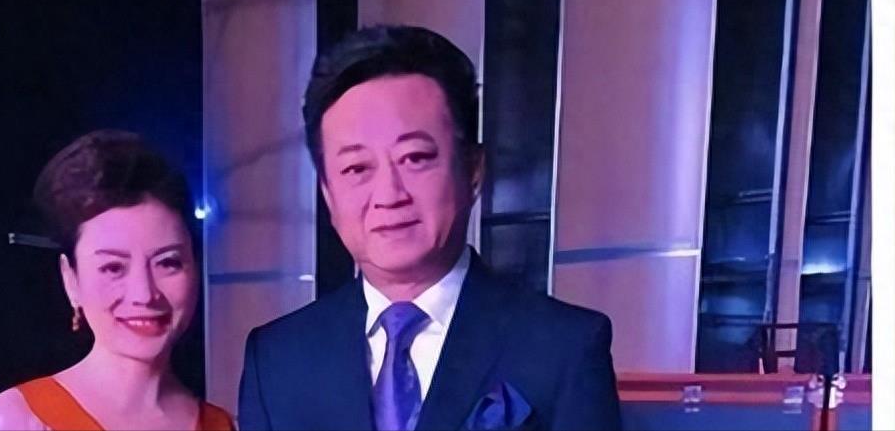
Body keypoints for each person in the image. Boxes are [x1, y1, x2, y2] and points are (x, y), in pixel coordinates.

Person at [238, 25, 621, 431]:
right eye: (357, 168)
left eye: (415, 158)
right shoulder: (277, 360)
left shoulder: (564, 348)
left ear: (473, 170)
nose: (389, 195)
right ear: (328, 194)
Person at [0, 131, 234, 431]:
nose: (144, 293)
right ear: (71, 279)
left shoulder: (221, 425)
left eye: (168, 262)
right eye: (113, 268)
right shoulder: (20, 420)